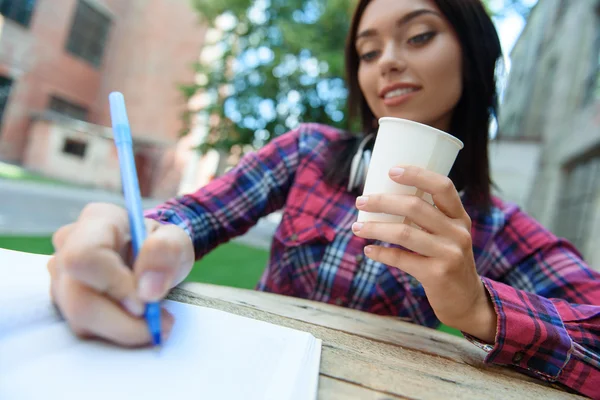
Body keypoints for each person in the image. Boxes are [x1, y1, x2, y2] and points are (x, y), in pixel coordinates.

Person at [47, 0, 599, 397]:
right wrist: (150, 240)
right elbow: (195, 214)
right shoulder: (307, 151)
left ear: (475, 57)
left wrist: (477, 305)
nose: (386, 62)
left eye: (420, 35)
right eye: (367, 50)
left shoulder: (495, 225)